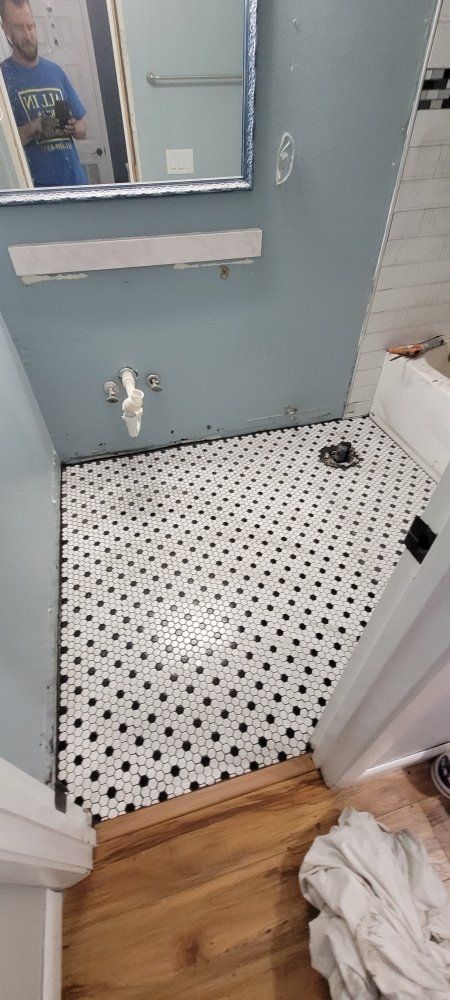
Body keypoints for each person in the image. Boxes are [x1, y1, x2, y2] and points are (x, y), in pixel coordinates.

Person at [0, 0, 88, 187]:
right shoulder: (3, 78)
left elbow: (83, 128)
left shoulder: (56, 72)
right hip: (38, 194)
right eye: (20, 28)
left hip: (77, 184)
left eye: (31, 26)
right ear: (6, 29)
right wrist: (36, 126)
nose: (28, 35)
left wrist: (74, 127)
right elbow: (4, 148)